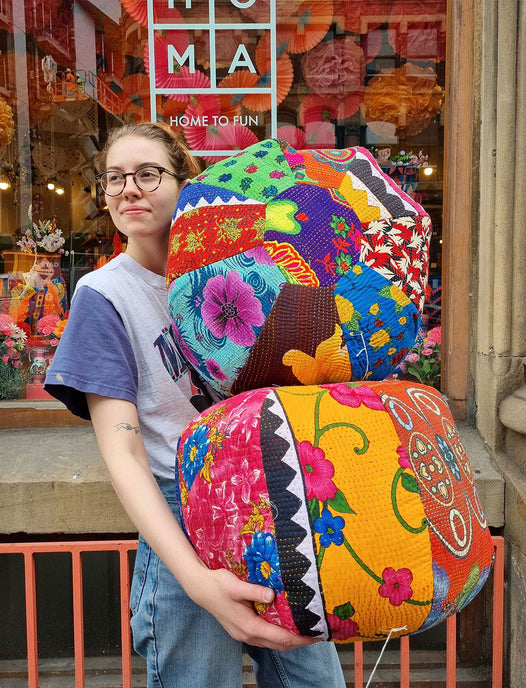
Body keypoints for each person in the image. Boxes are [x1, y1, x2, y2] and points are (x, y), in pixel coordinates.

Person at [44, 122, 346, 688]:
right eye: (113, 178)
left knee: (315, 677)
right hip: (179, 512)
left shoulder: (251, 270)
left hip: (272, 503)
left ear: (185, 183)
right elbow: (125, 453)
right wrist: (196, 578)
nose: (127, 189)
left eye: (148, 174)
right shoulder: (104, 294)